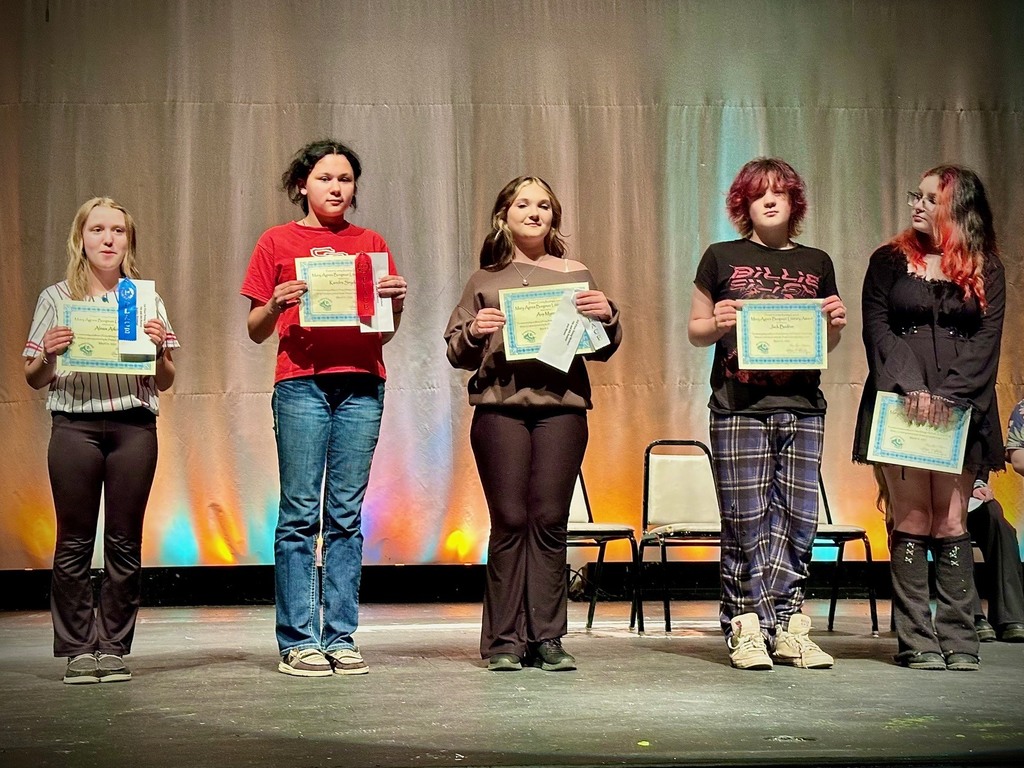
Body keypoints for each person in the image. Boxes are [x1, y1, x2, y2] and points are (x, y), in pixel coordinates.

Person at [241, 139, 407, 677]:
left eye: (345, 179)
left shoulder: (371, 242)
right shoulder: (277, 241)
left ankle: (340, 635)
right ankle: (297, 640)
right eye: (325, 178)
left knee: (344, 516)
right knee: (298, 514)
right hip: (302, 385)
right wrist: (276, 303)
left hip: (361, 384)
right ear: (302, 186)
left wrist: (395, 302)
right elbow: (255, 330)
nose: (336, 187)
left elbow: (386, 331)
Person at [444, 176, 621, 672]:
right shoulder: (485, 279)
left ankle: (546, 638)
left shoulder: (574, 273)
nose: (534, 212)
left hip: (562, 409)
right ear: (504, 215)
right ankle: (503, 640)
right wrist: (475, 332)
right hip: (500, 408)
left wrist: (607, 315)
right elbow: (456, 350)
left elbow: (602, 345)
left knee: (549, 521)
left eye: (544, 205)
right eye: (523, 203)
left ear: (554, 217)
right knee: (510, 522)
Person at [687, 157, 846, 671]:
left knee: (799, 520)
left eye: (779, 192)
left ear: (794, 202)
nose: (770, 200)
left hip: (802, 406)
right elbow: (696, 330)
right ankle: (745, 626)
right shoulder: (721, 257)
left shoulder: (817, 261)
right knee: (745, 520)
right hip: (739, 406)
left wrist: (836, 323)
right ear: (745, 205)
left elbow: (828, 341)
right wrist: (717, 321)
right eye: (759, 195)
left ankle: (789, 625)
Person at [853, 165, 1005, 671]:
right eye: (913, 196)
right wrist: (911, 387)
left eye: (928, 199)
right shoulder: (889, 261)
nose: (916, 205)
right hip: (901, 403)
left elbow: (987, 339)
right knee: (913, 518)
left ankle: (961, 639)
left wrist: (951, 394)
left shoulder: (987, 267)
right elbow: (877, 328)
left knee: (952, 520)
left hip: (961, 408)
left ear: (957, 210)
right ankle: (916, 638)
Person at [23, 197, 178, 684]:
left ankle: (112, 645)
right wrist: (48, 353)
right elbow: (33, 376)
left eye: (118, 231)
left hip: (133, 426)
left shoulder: (145, 299)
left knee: (124, 541)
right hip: (75, 426)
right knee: (73, 540)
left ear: (129, 240)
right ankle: (76, 648)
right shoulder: (56, 298)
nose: (108, 239)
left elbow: (167, 378)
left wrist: (158, 349)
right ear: (81, 238)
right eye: (97, 230)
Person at [965, 473, 1024, 643]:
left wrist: (977, 485)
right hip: (929, 494)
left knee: (996, 520)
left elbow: (979, 462)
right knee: (954, 530)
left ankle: (1009, 615)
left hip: (969, 492)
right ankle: (972, 615)